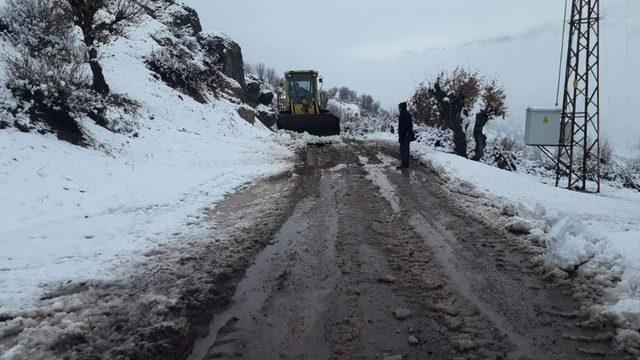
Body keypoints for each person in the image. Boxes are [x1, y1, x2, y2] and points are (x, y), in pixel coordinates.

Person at [397, 102, 414, 169]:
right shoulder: (408, 114)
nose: (398, 108)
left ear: (401, 107)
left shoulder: (403, 115)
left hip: (404, 135)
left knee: (403, 149)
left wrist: (402, 135)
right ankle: (406, 163)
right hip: (407, 135)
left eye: (399, 107)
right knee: (406, 149)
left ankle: (404, 164)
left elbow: (403, 126)